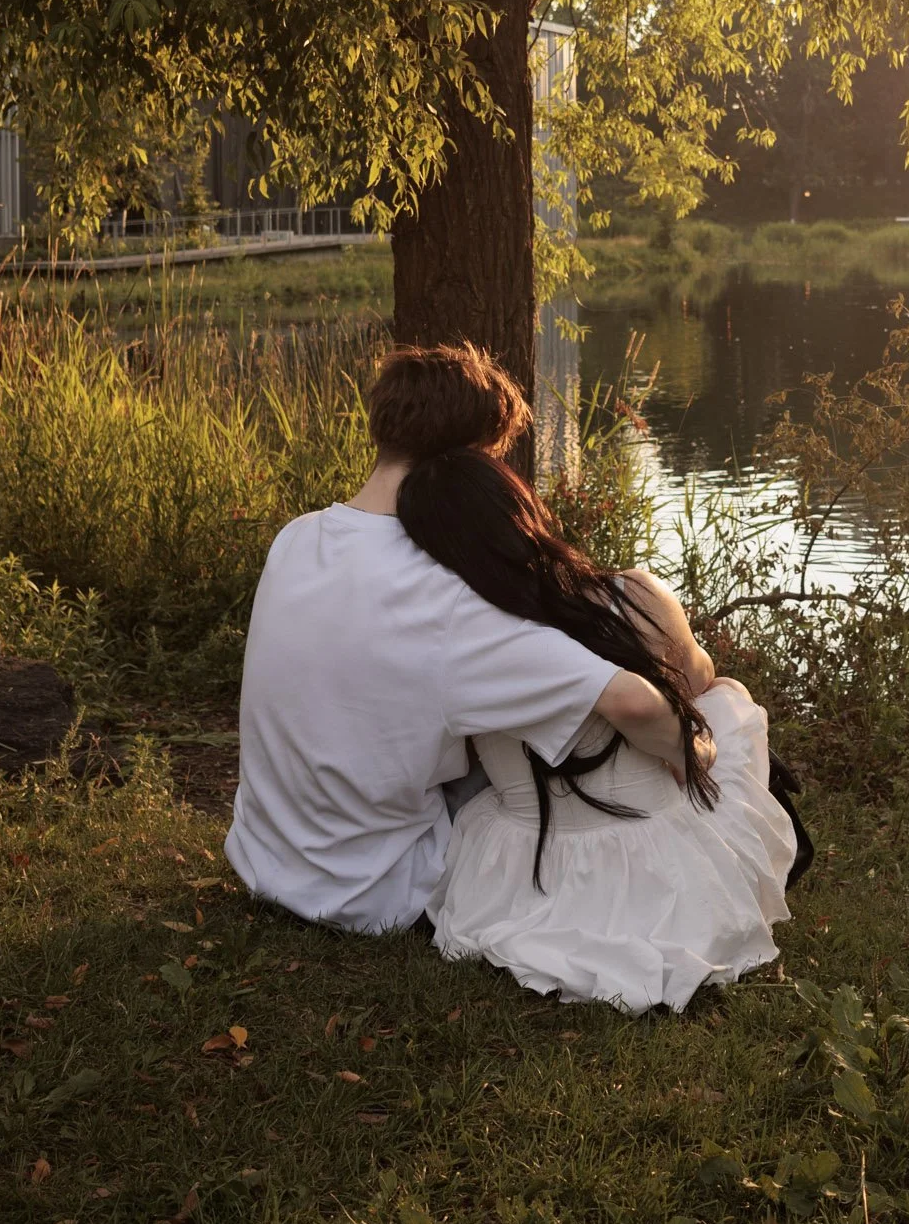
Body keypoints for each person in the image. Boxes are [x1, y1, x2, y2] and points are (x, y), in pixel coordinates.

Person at [225, 345, 692, 934]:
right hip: (372, 889)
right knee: (556, 724)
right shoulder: (450, 595)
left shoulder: (296, 537)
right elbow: (627, 700)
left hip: (264, 858)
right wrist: (692, 748)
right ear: (470, 460)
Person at [396, 445, 798, 1013]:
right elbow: (696, 678)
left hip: (521, 861)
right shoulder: (633, 593)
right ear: (522, 510)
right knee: (729, 696)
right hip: (655, 852)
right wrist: (693, 744)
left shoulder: (456, 646)